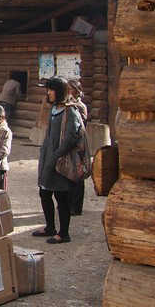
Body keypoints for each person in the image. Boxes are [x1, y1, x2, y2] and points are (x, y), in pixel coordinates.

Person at [33, 77, 81, 244]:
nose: (49, 93)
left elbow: (70, 138)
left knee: (61, 197)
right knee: (44, 193)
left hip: (60, 162)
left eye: (51, 89)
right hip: (48, 159)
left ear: (59, 91)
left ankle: (64, 233)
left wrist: (55, 156)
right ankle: (50, 227)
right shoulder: (54, 109)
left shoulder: (70, 111)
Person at [67, 78, 88, 216]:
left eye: (70, 88)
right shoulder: (68, 104)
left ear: (76, 90)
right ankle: (68, 204)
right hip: (69, 144)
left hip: (78, 144)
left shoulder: (80, 106)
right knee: (68, 173)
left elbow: (80, 126)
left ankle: (76, 206)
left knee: (78, 175)